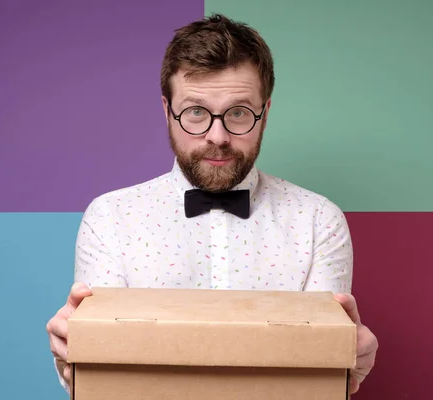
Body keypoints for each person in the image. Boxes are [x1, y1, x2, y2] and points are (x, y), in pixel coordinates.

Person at [46, 13, 378, 395]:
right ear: (167, 112)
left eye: (238, 113)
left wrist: (347, 364)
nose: (217, 137)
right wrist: (72, 356)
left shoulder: (319, 220)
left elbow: (317, 373)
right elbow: (102, 374)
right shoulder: (110, 218)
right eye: (196, 113)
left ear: (265, 114)